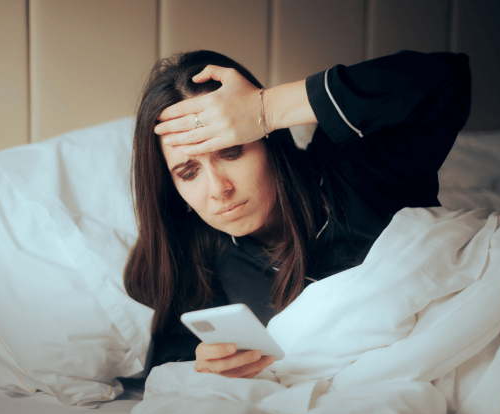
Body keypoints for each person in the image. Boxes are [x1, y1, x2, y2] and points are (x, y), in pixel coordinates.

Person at [124, 49, 471, 379]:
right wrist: (205, 366)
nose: (218, 189)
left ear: (267, 139)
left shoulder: (358, 163)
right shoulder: (199, 258)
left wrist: (268, 108)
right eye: (188, 173)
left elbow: (446, 79)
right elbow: (170, 371)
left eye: (230, 152)